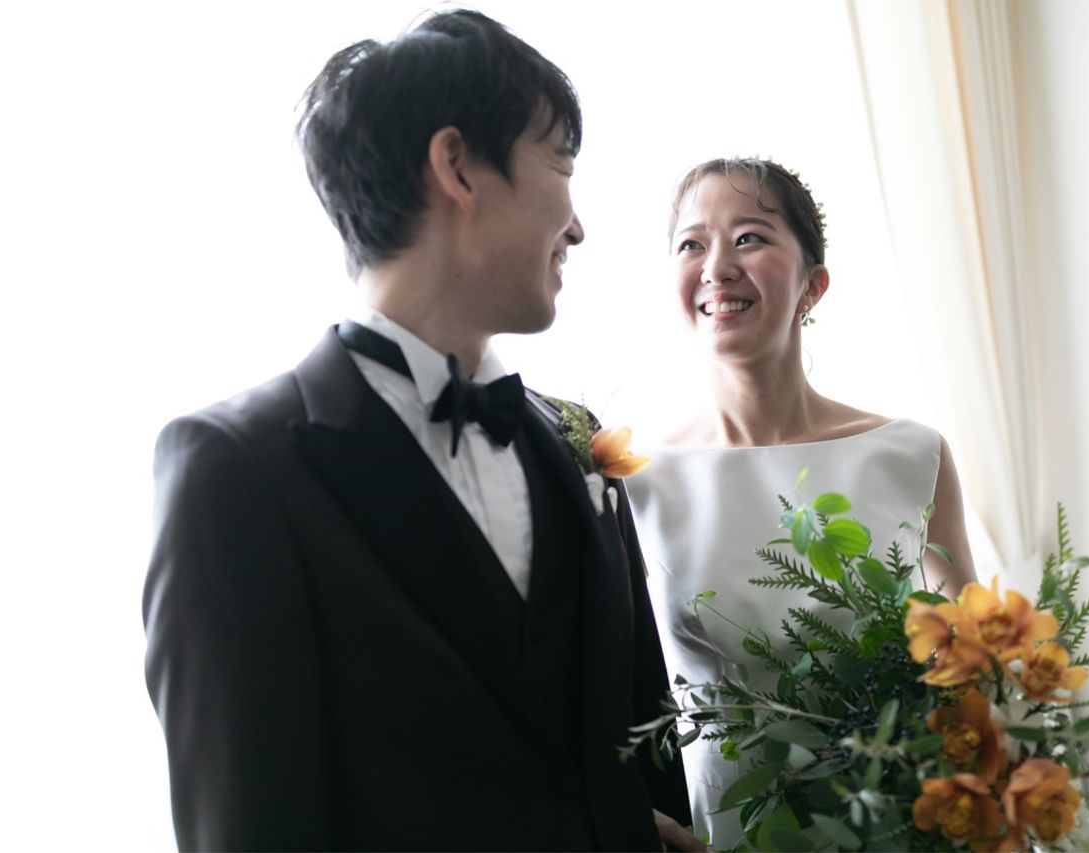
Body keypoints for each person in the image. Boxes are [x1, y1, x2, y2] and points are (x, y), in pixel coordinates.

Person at [142, 10, 692, 850]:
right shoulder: (236, 469)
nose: (579, 227)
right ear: (457, 166)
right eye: (561, 164)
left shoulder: (573, 438)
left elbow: (625, 751)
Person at [625, 157, 978, 848]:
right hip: (727, 831)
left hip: (896, 825)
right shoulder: (637, 478)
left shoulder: (911, 455)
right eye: (692, 243)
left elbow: (974, 668)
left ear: (812, 285)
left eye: (748, 238)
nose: (717, 266)